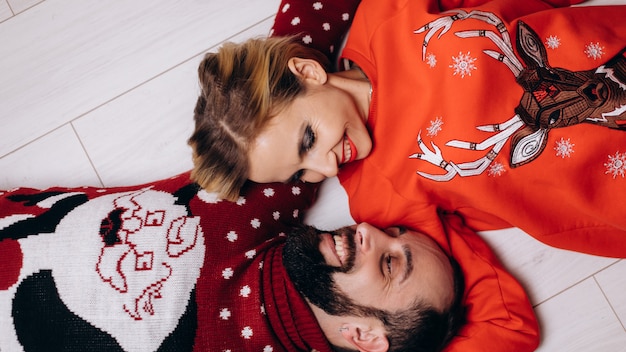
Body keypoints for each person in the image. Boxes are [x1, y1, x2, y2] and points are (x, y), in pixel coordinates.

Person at [0, 172, 492, 352]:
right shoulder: (270, 187)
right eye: (393, 232)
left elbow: (511, 329)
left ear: (365, 334)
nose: (366, 228)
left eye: (388, 263)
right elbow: (303, 50)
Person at [188, 0, 626, 262]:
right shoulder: (378, 200)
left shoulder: (389, 17)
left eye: (307, 140)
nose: (323, 166)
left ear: (306, 72)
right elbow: (492, 316)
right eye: (299, 175)